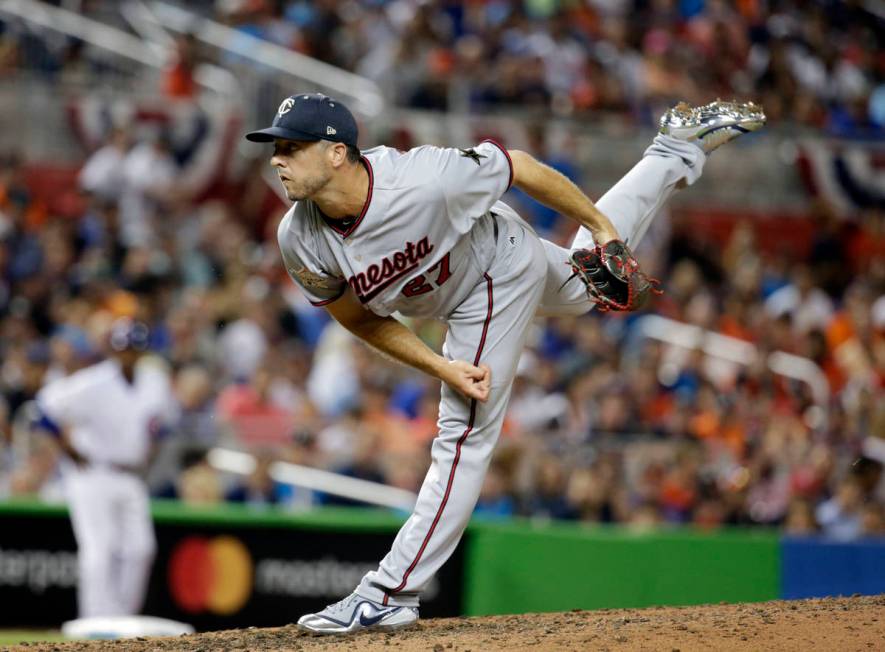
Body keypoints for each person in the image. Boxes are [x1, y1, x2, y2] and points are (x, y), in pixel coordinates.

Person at [244, 93, 764, 633]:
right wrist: (439, 366)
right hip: (467, 285)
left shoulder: (426, 179)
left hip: (493, 270)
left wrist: (599, 225)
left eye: (291, 147)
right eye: (276, 148)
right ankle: (674, 150)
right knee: (586, 289)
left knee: (464, 433)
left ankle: (389, 592)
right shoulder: (298, 238)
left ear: (335, 154)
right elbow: (360, 320)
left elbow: (522, 167)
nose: (277, 159)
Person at [34, 318, 173, 618]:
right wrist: (68, 452)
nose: (128, 354)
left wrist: (150, 452)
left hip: (132, 474)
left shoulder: (154, 381)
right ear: (113, 349)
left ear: (142, 350)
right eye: (123, 348)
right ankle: (95, 624)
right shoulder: (93, 381)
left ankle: (122, 621)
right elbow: (43, 410)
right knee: (100, 550)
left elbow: (159, 425)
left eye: (134, 348)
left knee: (141, 549)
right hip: (92, 473)